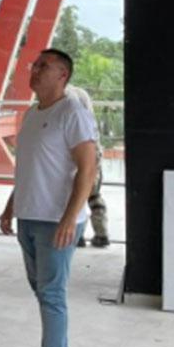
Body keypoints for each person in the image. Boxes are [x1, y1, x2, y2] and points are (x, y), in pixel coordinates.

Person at [1, 49, 98, 347]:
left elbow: (88, 170)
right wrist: (11, 207)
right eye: (35, 64)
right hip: (30, 216)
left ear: (63, 75)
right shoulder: (32, 113)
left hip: (56, 222)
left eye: (44, 66)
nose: (35, 70)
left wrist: (70, 217)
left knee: (52, 296)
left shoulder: (73, 113)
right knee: (43, 294)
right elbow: (29, 167)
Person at [66, 85, 110, 249]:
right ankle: (101, 233)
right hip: (94, 151)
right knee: (94, 195)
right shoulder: (81, 94)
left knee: (77, 195)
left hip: (77, 154)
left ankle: (78, 235)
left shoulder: (67, 96)